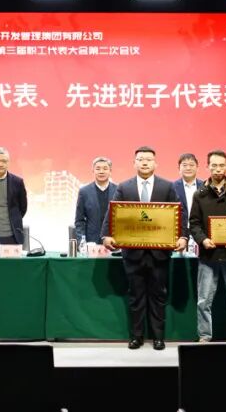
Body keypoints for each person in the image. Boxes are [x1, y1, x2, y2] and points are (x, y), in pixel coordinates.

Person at [102, 146, 188, 351]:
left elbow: (180, 214)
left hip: (159, 253)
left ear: (155, 163)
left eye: (149, 159)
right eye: (140, 159)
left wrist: (183, 237)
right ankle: (137, 337)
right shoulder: (124, 187)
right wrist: (106, 236)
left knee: (159, 296)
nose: (145, 162)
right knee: (136, 296)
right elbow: (112, 213)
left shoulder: (167, 187)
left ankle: (158, 337)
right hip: (133, 253)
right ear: (134, 163)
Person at [188, 150, 226, 342]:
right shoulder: (199, 194)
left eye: (221, 165)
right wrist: (203, 240)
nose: (218, 169)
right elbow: (194, 223)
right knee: (203, 301)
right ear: (207, 166)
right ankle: (204, 336)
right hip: (208, 256)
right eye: (214, 165)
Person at [73, 157, 117, 245]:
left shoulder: (118, 190)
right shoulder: (84, 192)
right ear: (93, 171)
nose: (101, 171)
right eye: (98, 169)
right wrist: (82, 242)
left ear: (110, 171)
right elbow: (79, 221)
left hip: (114, 241)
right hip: (91, 243)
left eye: (105, 168)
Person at [172, 153, 204, 226]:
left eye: (191, 165)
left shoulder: (205, 187)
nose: (188, 168)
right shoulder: (172, 188)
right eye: (184, 165)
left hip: (200, 230)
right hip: (179, 229)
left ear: (197, 168)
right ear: (179, 168)